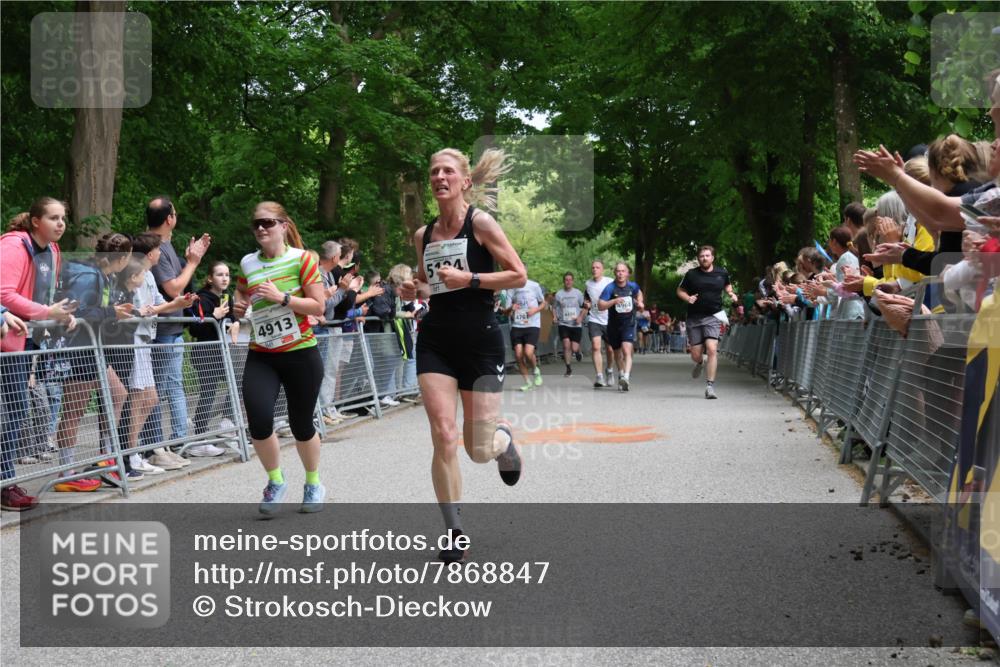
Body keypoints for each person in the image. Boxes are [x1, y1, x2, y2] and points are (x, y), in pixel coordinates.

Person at [398, 147, 526, 563]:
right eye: (433, 170)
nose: (439, 176)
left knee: (478, 448)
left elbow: (518, 275)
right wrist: (412, 289)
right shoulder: (423, 234)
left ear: (464, 181)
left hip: (480, 339)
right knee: (443, 434)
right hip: (436, 339)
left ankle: (503, 442)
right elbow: (427, 284)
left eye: (447, 170)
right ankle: (454, 532)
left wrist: (470, 277)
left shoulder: (481, 223)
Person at [233, 202, 327, 515]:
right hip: (262, 354)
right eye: (256, 223)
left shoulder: (302, 260)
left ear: (283, 226)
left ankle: (313, 482)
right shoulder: (248, 262)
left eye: (268, 223)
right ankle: (276, 480)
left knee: (302, 424)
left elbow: (318, 307)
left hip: (300, 353)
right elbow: (241, 294)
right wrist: (238, 306)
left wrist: (283, 297)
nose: (261, 228)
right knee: (258, 419)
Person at [0, 198, 76, 510]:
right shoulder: (14, 246)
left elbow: (45, 294)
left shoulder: (53, 251)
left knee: (18, 408)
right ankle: (5, 482)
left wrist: (62, 314)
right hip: (7, 336)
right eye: (53, 218)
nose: (60, 224)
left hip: (26, 339)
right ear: (35, 221)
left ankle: (5, 480)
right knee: (16, 407)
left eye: (63, 218)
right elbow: (4, 293)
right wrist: (47, 311)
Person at [57, 232, 134, 490]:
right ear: (122, 258)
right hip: (78, 349)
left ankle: (105, 457)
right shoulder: (89, 275)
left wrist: (114, 313)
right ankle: (65, 473)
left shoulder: (103, 275)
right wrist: (111, 312)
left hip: (92, 348)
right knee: (73, 412)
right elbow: (75, 310)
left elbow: (97, 310)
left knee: (118, 393)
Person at [143, 197, 213, 454]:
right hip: (161, 331)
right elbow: (173, 288)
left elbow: (176, 282)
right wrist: (194, 262)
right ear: (169, 219)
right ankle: (155, 448)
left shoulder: (166, 245)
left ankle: (178, 441)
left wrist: (187, 261)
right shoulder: (154, 246)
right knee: (155, 392)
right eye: (174, 213)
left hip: (173, 329)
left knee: (172, 387)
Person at [187, 259, 239, 448]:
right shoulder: (202, 298)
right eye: (219, 274)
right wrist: (213, 317)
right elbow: (195, 328)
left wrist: (235, 323)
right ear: (210, 278)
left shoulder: (227, 297)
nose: (224, 278)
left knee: (240, 381)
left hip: (222, 352)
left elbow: (231, 317)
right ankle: (200, 433)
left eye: (227, 274)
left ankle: (227, 419)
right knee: (208, 392)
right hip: (204, 352)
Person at [677, 245, 737, 399]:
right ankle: (699, 362)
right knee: (696, 354)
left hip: (714, 316)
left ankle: (710, 386)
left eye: (707, 255)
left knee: (712, 349)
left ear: (713, 257)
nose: (704, 258)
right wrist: (688, 298)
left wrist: (730, 293)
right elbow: (680, 290)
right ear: (698, 258)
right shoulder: (691, 274)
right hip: (694, 317)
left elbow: (727, 284)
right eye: (702, 256)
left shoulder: (721, 272)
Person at [598, 262, 644, 391]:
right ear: (615, 273)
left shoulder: (632, 286)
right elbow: (600, 305)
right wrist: (613, 301)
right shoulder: (610, 288)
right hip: (613, 325)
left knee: (626, 350)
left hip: (628, 324)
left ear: (628, 273)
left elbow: (639, 293)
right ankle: (621, 374)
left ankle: (626, 378)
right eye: (618, 271)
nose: (620, 273)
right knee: (617, 354)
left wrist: (640, 302)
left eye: (623, 271)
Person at [504, 271, 546, 391]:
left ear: (525, 273)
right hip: (517, 325)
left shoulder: (534, 285)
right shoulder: (511, 289)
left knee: (528, 353)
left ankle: (535, 370)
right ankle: (527, 382)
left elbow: (543, 303)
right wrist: (511, 308)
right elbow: (506, 312)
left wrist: (535, 310)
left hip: (532, 324)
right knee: (518, 355)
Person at [582, 259, 615, 388]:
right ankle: (599, 376)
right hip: (594, 319)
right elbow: (587, 299)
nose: (594, 269)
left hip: (609, 319)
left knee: (610, 349)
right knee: (596, 347)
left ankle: (610, 370)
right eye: (593, 267)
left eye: (597, 267)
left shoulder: (609, 282)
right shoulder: (588, 284)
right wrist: (587, 304)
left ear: (602, 269)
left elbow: (616, 296)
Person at [553, 272, 585, 376]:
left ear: (573, 281)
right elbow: (554, 307)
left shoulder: (578, 293)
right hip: (563, 323)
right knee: (566, 345)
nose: (568, 282)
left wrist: (580, 317)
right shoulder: (559, 294)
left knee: (574, 348)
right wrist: (554, 316)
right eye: (566, 280)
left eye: (570, 280)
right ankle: (568, 368)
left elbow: (585, 307)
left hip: (576, 324)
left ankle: (577, 351)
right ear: (564, 281)